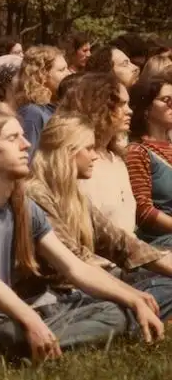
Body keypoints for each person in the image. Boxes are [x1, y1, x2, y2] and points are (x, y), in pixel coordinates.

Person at [0, 108, 162, 368]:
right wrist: (31, 320)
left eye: (23, 136)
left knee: (115, 311)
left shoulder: (24, 207)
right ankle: (35, 343)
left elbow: (74, 268)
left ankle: (36, 346)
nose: (26, 144)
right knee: (11, 333)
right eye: (13, 138)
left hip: (7, 317)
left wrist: (133, 299)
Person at [24, 114, 172, 320]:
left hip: (88, 285)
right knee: (134, 303)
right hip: (58, 295)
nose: (94, 156)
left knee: (163, 282)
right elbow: (77, 263)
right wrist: (131, 295)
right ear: (67, 151)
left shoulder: (74, 195)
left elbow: (120, 242)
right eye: (89, 148)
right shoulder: (35, 194)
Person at [57, 73, 136, 233]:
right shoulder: (79, 163)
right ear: (99, 107)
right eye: (121, 104)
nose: (130, 111)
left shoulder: (117, 160)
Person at [126, 77, 172, 247]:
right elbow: (143, 211)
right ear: (146, 109)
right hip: (161, 241)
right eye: (167, 100)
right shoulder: (137, 151)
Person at [14, 46, 70, 162]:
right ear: (42, 75)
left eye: (67, 68)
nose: (68, 73)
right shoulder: (32, 113)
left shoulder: (57, 107)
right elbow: (26, 160)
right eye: (62, 70)